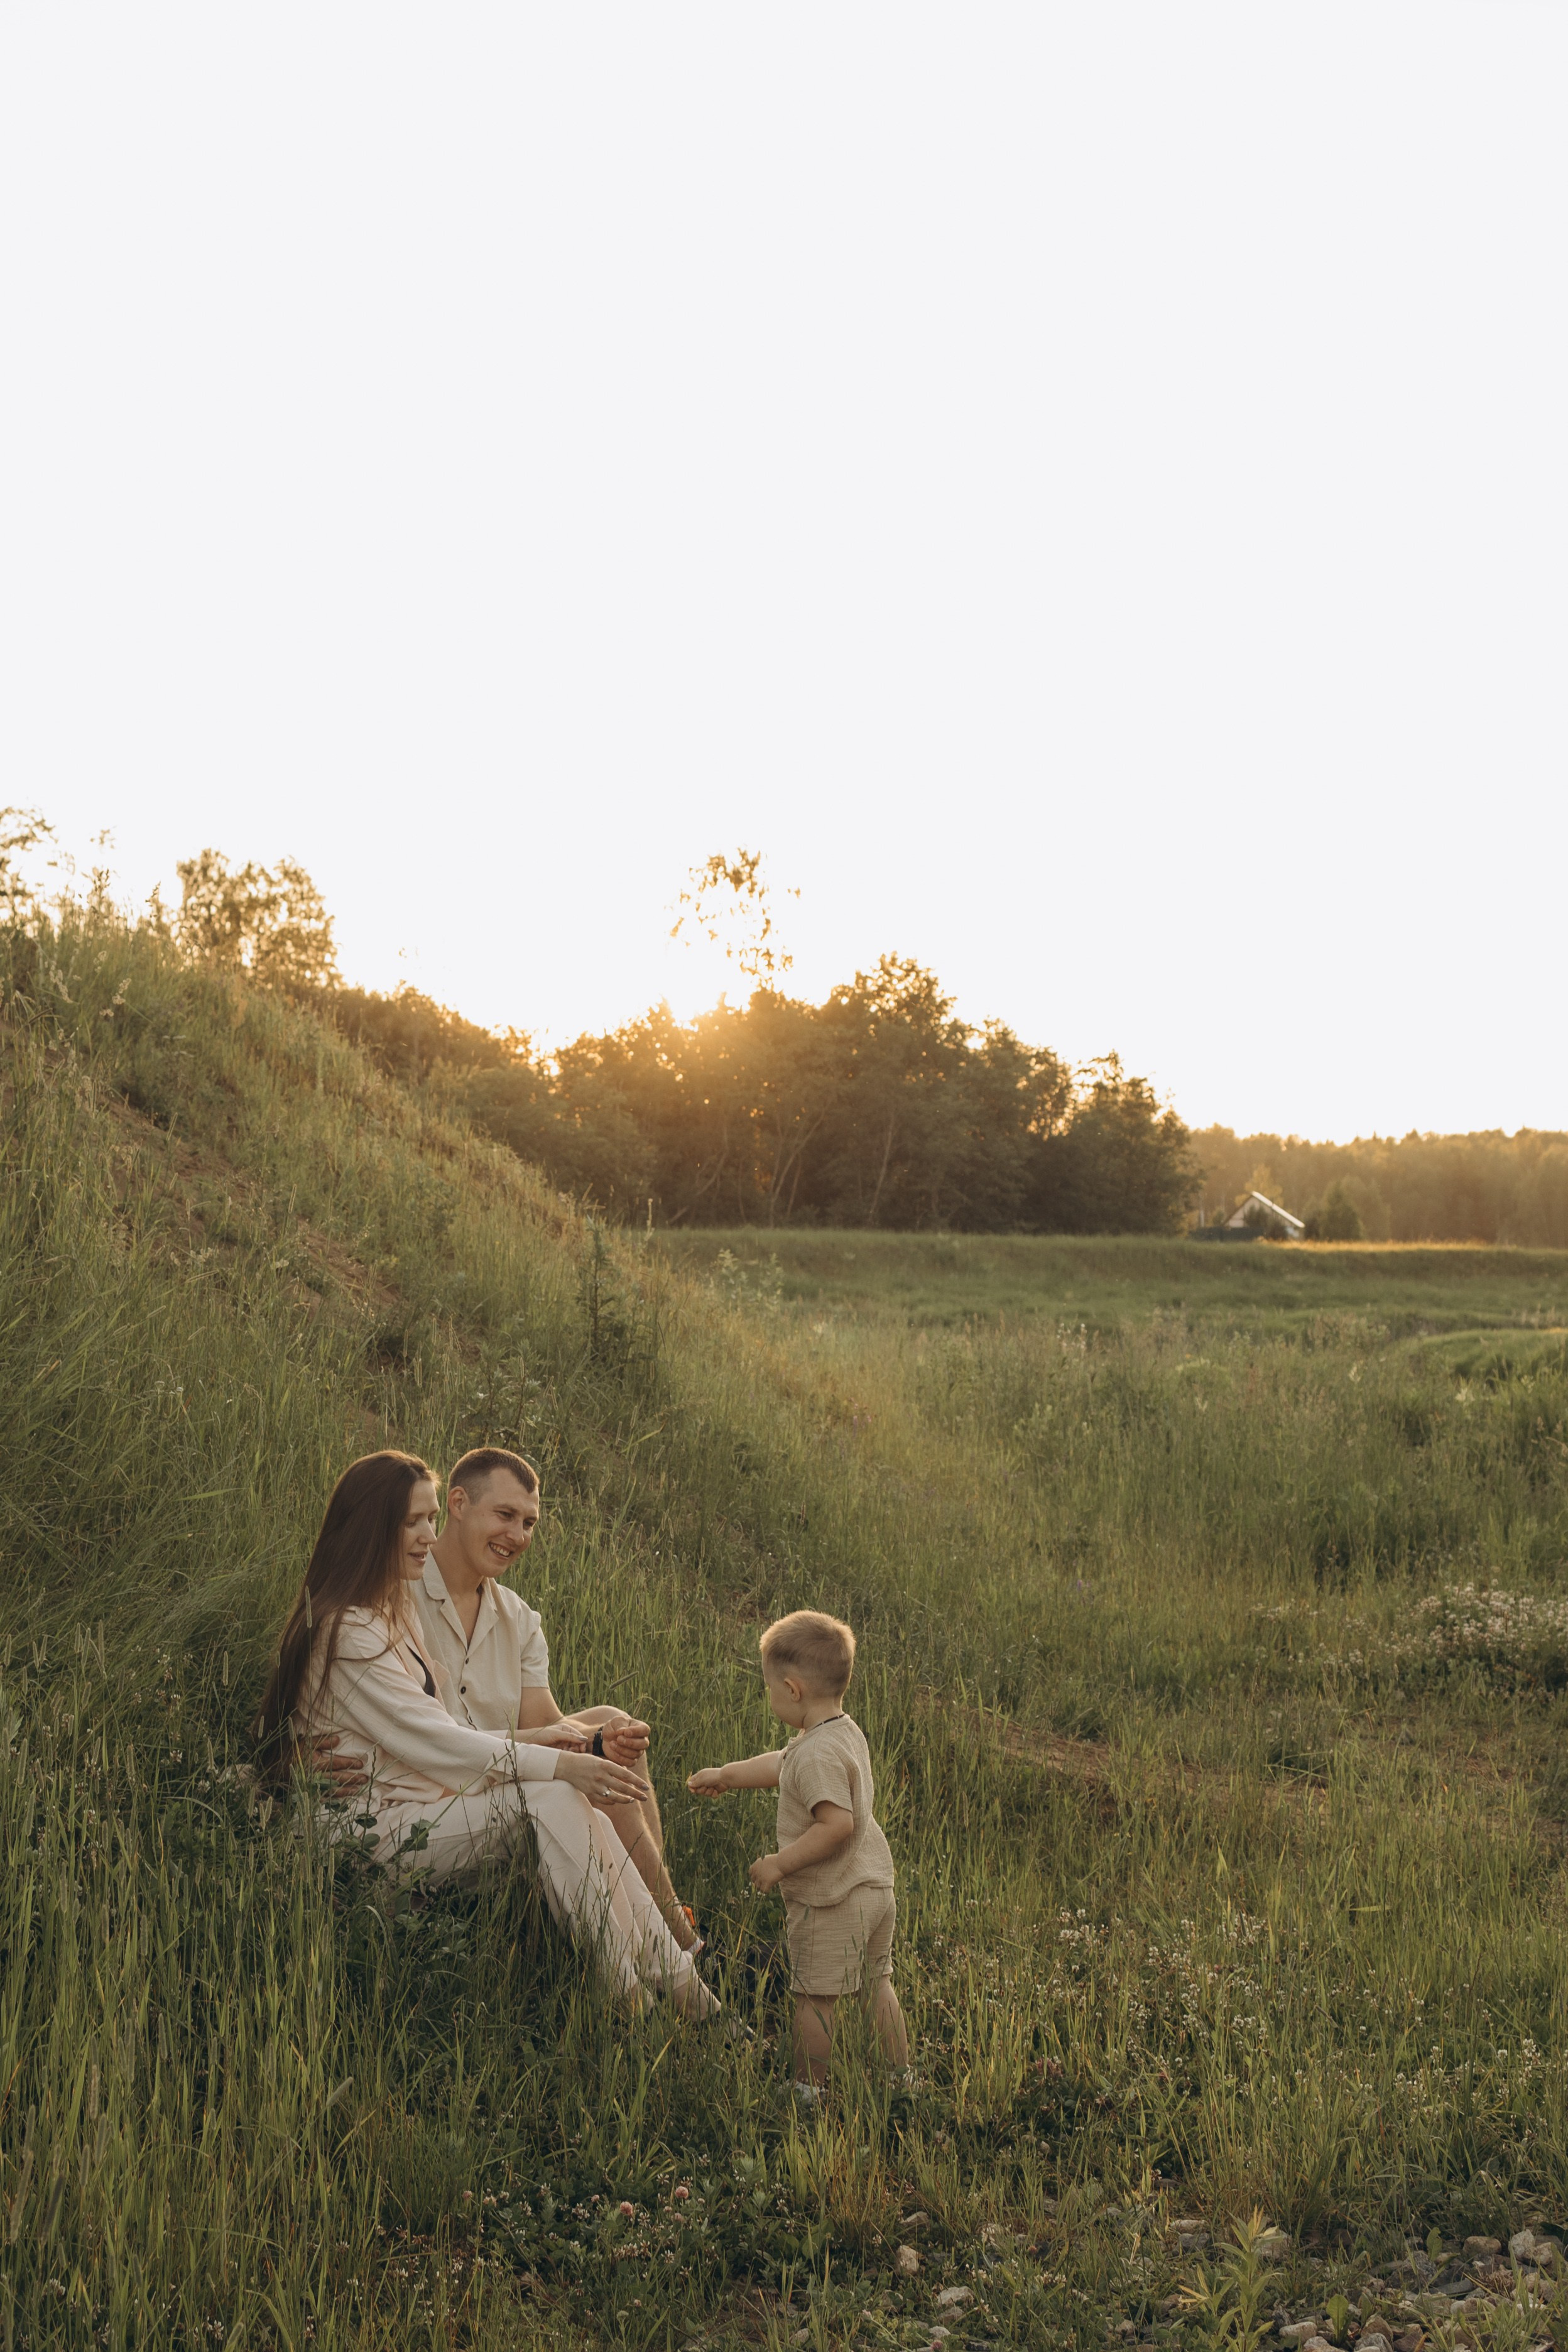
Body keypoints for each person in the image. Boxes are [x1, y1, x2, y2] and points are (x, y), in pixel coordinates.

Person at [256, 1449, 716, 2015]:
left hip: (432, 1798)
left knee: (581, 1765)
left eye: (529, 1522)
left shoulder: (401, 1612)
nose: (427, 1535)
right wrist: (566, 1763)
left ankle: (673, 1981)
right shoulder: (358, 1623)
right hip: (364, 1828)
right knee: (557, 1790)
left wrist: (585, 1748)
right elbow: (438, 1740)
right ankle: (645, 1995)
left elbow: (459, 1731)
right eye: (415, 1522)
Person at [410, 1446, 701, 1956]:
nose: (517, 1537)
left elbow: (545, 1723)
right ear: (457, 1504)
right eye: (504, 1515)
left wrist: (598, 1739)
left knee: (612, 1728)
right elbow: (428, 1740)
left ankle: (666, 1925)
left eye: (529, 1523)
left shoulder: (518, 1618)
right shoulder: (401, 1594)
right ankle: (685, 1946)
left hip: (507, 1772)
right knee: (588, 1765)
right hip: (439, 1788)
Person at [687, 1608, 906, 2088]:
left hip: (833, 1899)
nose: (769, 1697)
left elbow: (836, 1825)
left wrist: (779, 1864)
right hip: (873, 1887)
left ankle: (808, 2089)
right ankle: (898, 2078)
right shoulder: (839, 1732)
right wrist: (726, 1775)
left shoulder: (817, 1755)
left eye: (769, 1688)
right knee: (877, 1984)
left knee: (813, 1997)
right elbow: (781, 1763)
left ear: (792, 1690)